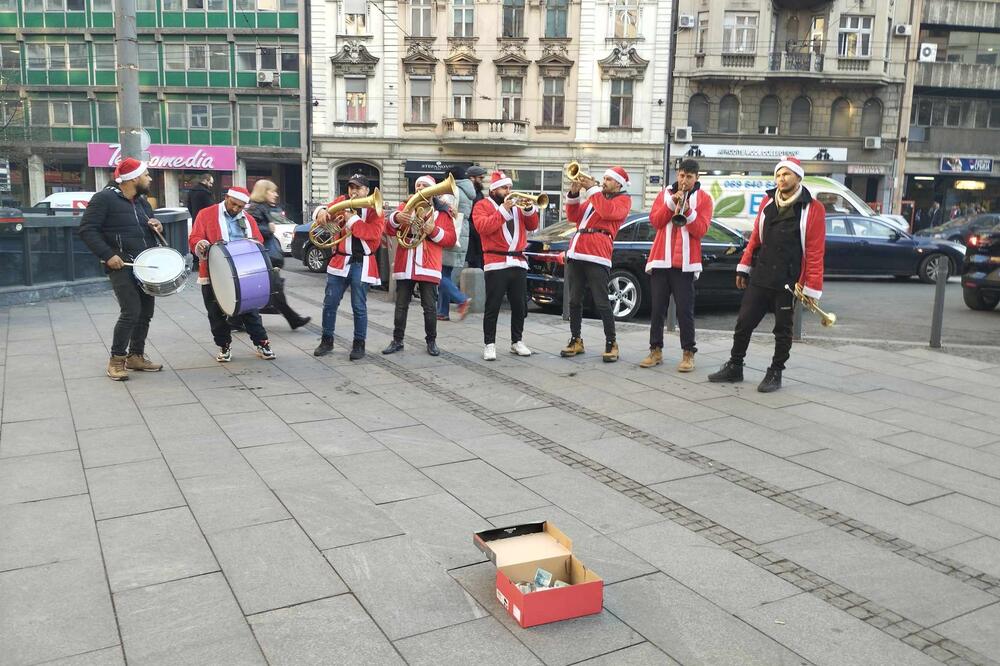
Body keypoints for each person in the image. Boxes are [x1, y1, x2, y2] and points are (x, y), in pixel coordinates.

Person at [708, 156, 825, 393]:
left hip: (788, 281)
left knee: (782, 330)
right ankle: (735, 365)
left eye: (786, 174)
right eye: (779, 175)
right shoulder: (767, 202)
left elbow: (815, 250)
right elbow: (756, 238)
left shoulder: (812, 208)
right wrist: (744, 266)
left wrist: (812, 286)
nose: (781, 179)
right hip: (761, 275)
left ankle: (775, 372)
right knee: (743, 323)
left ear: (798, 177)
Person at [79, 157, 165, 380]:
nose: (149, 178)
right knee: (131, 312)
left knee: (145, 312)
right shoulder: (103, 199)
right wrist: (108, 255)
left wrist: (156, 226)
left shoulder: (142, 202)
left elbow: (147, 226)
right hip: (121, 265)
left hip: (145, 265)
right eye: (146, 175)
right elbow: (87, 230)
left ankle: (136, 356)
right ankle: (116, 360)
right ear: (133, 178)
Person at [640, 158, 713, 372]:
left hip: (686, 264)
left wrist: (688, 211)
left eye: (689, 177)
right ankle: (655, 350)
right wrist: (672, 203)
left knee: (685, 311)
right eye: (681, 175)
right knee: (657, 310)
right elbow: (655, 221)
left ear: (696, 178)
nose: (684, 180)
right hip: (662, 259)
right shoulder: (665, 194)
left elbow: (701, 230)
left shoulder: (704, 199)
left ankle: (688, 353)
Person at [189, 186, 276, 362]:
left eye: (240, 207)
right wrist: (201, 244)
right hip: (214, 272)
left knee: (250, 311)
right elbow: (194, 237)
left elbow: (258, 240)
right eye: (234, 204)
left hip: (244, 272)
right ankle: (224, 346)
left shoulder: (248, 219)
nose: (236, 209)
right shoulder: (206, 214)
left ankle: (262, 343)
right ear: (227, 197)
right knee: (215, 312)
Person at [560, 165, 632, 363]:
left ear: (618, 184)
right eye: (604, 178)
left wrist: (591, 190)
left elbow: (608, 212)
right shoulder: (595, 199)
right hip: (577, 251)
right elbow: (573, 217)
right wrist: (574, 195)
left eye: (609, 179)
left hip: (597, 254)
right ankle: (576, 339)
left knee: (601, 301)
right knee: (574, 300)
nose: (604, 182)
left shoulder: (623, 200)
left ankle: (611, 342)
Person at [383, 175, 458, 356]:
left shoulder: (442, 213)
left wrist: (433, 230)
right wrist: (396, 218)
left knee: (430, 307)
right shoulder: (405, 206)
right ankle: (397, 340)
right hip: (406, 263)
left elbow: (450, 239)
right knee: (401, 305)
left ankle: (431, 341)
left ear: (433, 191)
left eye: (425, 186)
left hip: (428, 264)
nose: (420, 188)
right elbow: (388, 228)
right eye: (418, 185)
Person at [312, 173, 384, 360]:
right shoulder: (342, 201)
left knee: (358, 306)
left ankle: (359, 344)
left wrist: (352, 220)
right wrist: (320, 213)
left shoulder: (375, 209)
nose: (353, 191)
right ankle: (326, 340)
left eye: (358, 188)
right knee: (330, 303)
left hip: (363, 261)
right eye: (351, 187)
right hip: (339, 261)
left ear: (367, 191)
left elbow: (373, 234)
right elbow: (325, 210)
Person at [472, 170, 539, 360]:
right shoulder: (482, 205)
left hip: (518, 262)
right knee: (492, 306)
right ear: (494, 190)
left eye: (510, 187)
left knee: (519, 306)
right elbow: (483, 227)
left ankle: (516, 341)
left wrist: (528, 210)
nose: (508, 191)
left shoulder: (517, 206)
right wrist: (504, 210)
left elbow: (532, 225)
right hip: (496, 262)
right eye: (504, 188)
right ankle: (489, 344)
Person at [245, 179, 311, 330]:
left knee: (272, 291)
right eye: (272, 191)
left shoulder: (262, 207)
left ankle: (235, 320)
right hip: (264, 257)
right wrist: (269, 229)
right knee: (275, 291)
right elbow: (250, 231)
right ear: (264, 192)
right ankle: (294, 320)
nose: (275, 194)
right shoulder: (256, 208)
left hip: (266, 257)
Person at [438, 166, 473, 321]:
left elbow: (444, 211)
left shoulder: (452, 191)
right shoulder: (467, 190)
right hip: (461, 233)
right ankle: (442, 311)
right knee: (445, 274)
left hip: (450, 232)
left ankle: (461, 299)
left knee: (437, 274)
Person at [465, 165, 488, 270]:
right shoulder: (468, 194)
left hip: (477, 236)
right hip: (471, 236)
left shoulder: (479, 194)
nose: (482, 181)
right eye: (480, 178)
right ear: (471, 178)